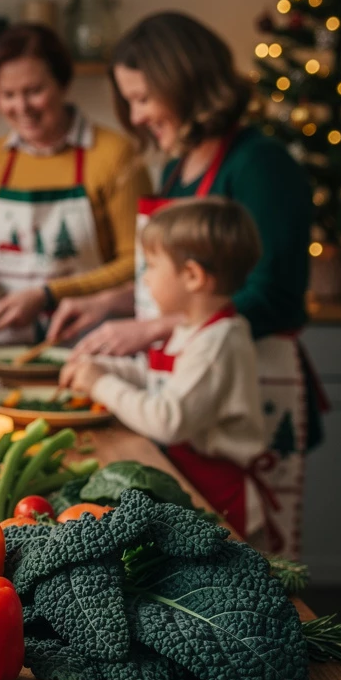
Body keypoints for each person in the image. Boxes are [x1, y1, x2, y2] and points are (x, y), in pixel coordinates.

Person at [49, 11, 319, 557]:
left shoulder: (259, 164)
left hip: (251, 380)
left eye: (143, 98)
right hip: (184, 380)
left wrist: (154, 328)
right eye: (130, 102)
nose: (136, 116)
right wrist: (106, 303)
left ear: (185, 80)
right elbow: (175, 277)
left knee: (259, 557)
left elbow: (271, 292)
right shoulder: (178, 169)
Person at [61, 198, 270, 541]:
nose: (144, 278)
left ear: (192, 276)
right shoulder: (192, 328)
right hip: (188, 479)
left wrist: (100, 384)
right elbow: (153, 378)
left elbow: (168, 420)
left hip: (218, 496)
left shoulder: (218, 342)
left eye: (151, 266)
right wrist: (99, 367)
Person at [0, 23, 150, 341]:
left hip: (92, 341)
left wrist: (47, 295)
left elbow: (138, 262)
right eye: (8, 95)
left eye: (34, 91)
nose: (22, 107)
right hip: (4, 341)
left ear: (62, 84)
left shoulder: (114, 155)